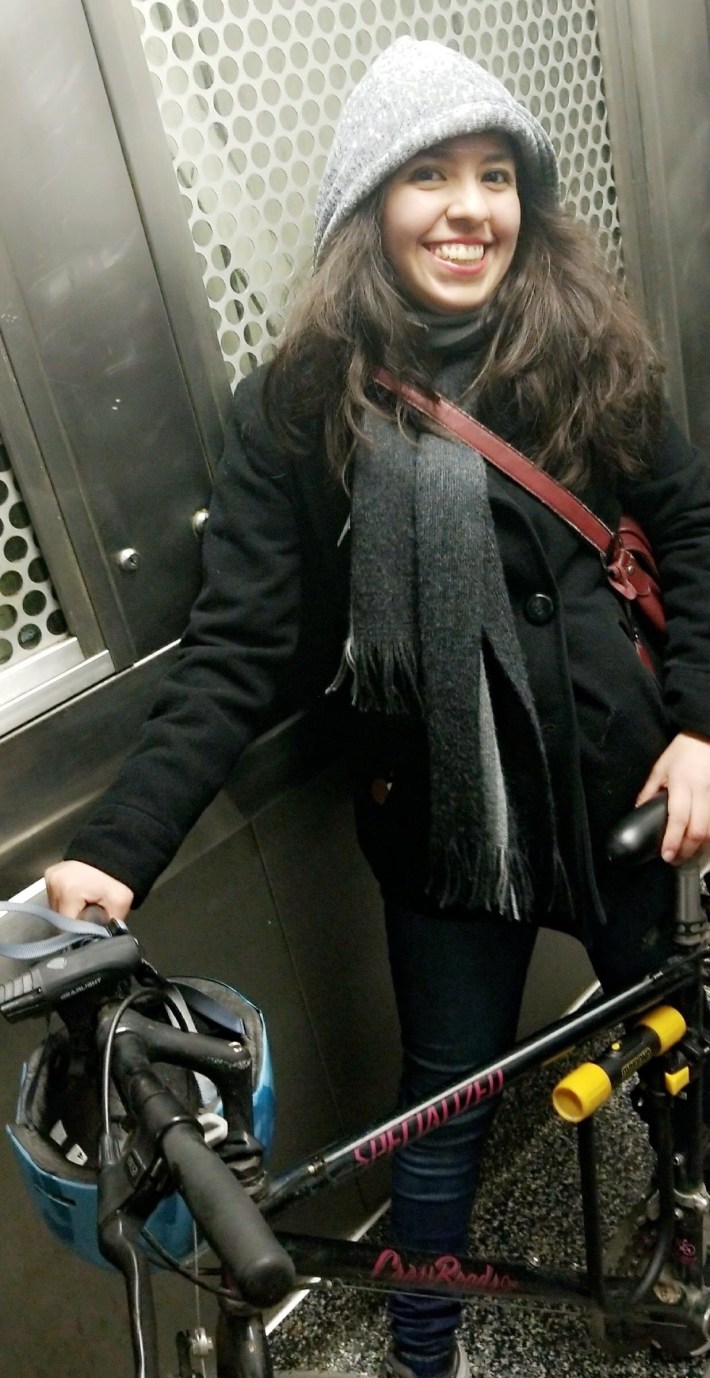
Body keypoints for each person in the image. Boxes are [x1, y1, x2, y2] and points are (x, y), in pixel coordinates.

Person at [45, 38, 710, 1378]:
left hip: (620, 792)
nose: (469, 208)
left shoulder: (586, 345)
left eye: (493, 175)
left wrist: (698, 723)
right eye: (428, 174)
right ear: (368, 199)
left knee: (667, 1037)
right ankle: (422, 1346)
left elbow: (687, 531)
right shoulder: (295, 408)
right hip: (444, 831)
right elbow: (240, 645)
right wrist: (115, 849)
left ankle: (682, 1223)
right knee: (446, 1101)